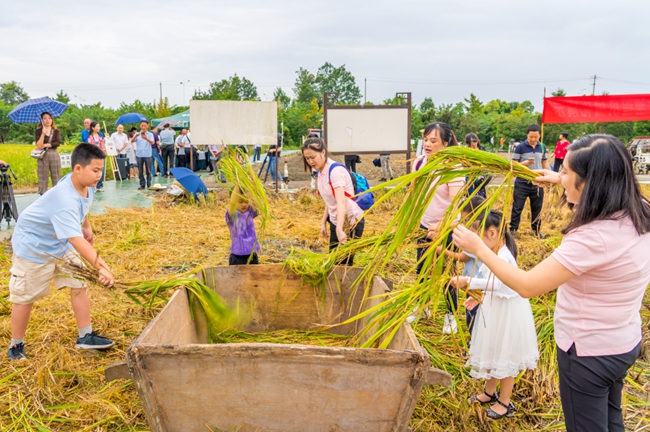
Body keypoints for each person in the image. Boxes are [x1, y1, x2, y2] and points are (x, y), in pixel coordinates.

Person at [453, 134, 650, 432]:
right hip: (623, 342)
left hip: (588, 354)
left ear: (589, 182)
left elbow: (528, 285)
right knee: (611, 420)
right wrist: (559, 179)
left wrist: (479, 249)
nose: (562, 176)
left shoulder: (592, 237)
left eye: (568, 172)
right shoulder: (640, 210)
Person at [7, 144, 115, 360]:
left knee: (79, 283)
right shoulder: (63, 199)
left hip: (60, 242)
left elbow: (83, 208)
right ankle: (16, 346)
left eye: (101, 170)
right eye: (95, 170)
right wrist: (103, 268)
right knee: (25, 296)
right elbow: (76, 242)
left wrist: (86, 226)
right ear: (77, 169)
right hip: (34, 247)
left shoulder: (86, 184)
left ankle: (85, 336)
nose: (99, 175)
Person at [451, 210, 538, 420]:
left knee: (505, 355)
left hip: (508, 313)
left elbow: (499, 284)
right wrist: (478, 296)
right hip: (495, 308)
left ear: (491, 233)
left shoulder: (504, 256)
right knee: (493, 352)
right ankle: (489, 392)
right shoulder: (495, 253)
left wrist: (467, 282)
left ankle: (504, 402)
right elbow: (491, 284)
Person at [413, 121, 464, 334]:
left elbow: (457, 209)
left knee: (446, 274)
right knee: (421, 270)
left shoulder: (453, 168)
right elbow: (414, 196)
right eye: (425, 139)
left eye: (433, 140)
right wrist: (414, 222)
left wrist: (441, 227)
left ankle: (451, 315)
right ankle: (423, 307)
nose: (427, 144)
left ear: (445, 142)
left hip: (446, 230)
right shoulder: (419, 163)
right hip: (424, 227)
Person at [301, 136, 364, 266]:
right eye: (307, 158)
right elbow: (329, 200)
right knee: (334, 262)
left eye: (313, 157)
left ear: (323, 152)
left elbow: (341, 202)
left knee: (344, 264)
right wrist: (323, 222)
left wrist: (340, 229)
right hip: (337, 220)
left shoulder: (335, 171)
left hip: (350, 221)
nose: (310, 161)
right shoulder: (321, 172)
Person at [509, 124, 551, 238]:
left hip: (537, 182)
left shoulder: (542, 147)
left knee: (537, 209)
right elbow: (513, 164)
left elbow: (545, 162)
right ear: (527, 135)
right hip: (522, 183)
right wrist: (525, 164)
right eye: (531, 137)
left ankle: (536, 232)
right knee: (517, 207)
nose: (533, 139)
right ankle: (513, 231)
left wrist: (551, 176)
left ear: (539, 136)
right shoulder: (520, 147)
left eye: (536, 137)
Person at [226, 186, 260, 265]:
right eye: (240, 202)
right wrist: (238, 183)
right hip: (238, 257)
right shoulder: (233, 215)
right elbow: (232, 203)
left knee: (254, 277)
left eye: (246, 201)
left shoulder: (250, 212)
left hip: (252, 254)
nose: (244, 204)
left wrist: (249, 185)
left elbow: (256, 203)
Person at [34, 112, 62, 195]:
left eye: (49, 118)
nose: (47, 120)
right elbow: (39, 145)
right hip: (42, 155)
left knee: (55, 174)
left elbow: (57, 143)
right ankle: (43, 193)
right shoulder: (38, 131)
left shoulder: (56, 131)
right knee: (42, 175)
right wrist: (43, 134)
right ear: (41, 120)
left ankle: (57, 193)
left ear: (52, 119)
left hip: (53, 153)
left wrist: (45, 145)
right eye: (45, 118)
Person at [465, 133, 491, 198]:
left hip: (480, 175)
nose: (472, 148)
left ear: (477, 142)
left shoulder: (482, 150)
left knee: (488, 176)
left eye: (474, 146)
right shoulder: (465, 151)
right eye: (470, 146)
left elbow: (486, 162)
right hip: (470, 175)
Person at [131, 120, 153, 190]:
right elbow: (131, 141)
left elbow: (152, 143)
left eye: (145, 126)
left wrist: (146, 138)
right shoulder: (137, 134)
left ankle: (149, 184)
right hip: (139, 154)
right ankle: (142, 184)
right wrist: (135, 136)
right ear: (140, 126)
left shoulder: (150, 134)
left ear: (147, 126)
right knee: (140, 170)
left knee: (148, 171)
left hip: (147, 154)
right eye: (142, 126)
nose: (143, 127)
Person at [87, 121, 106, 192]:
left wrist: (103, 149)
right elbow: (89, 146)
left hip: (100, 156)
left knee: (102, 171)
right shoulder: (90, 137)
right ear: (93, 128)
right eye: (97, 126)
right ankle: (93, 186)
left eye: (99, 126)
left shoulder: (100, 135)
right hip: (94, 156)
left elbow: (103, 145)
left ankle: (99, 186)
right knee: (94, 171)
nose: (98, 128)